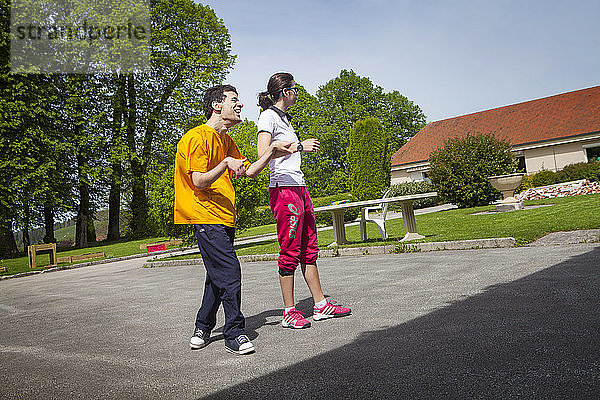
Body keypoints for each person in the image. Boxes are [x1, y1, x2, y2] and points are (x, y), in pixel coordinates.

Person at [174, 84, 293, 355]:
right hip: (204, 215)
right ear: (217, 105)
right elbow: (199, 181)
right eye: (234, 100)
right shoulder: (196, 137)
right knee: (229, 272)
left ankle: (202, 326)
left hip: (224, 218)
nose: (240, 105)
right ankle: (234, 332)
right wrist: (226, 163)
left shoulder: (227, 141)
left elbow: (248, 171)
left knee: (217, 275)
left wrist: (272, 151)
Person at [256, 72, 351, 329]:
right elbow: (262, 153)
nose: (297, 92)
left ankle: (319, 305)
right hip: (283, 189)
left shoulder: (286, 120)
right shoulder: (268, 117)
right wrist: (298, 146)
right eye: (294, 88)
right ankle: (289, 311)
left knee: (309, 246)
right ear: (285, 91)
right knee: (290, 250)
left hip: (299, 186)